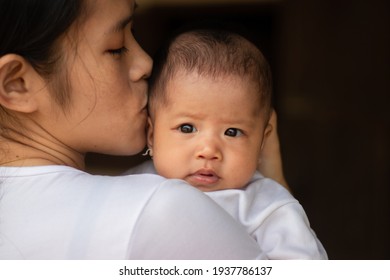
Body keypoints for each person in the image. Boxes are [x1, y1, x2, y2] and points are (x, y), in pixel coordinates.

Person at [0, 0, 292, 260]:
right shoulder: (160, 209)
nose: (146, 63)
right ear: (17, 84)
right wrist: (274, 189)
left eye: (135, 35)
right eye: (116, 48)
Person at [126, 27, 327, 259]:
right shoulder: (133, 185)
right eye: (187, 128)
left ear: (262, 140)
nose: (209, 151)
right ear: (152, 135)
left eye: (232, 132)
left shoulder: (265, 206)